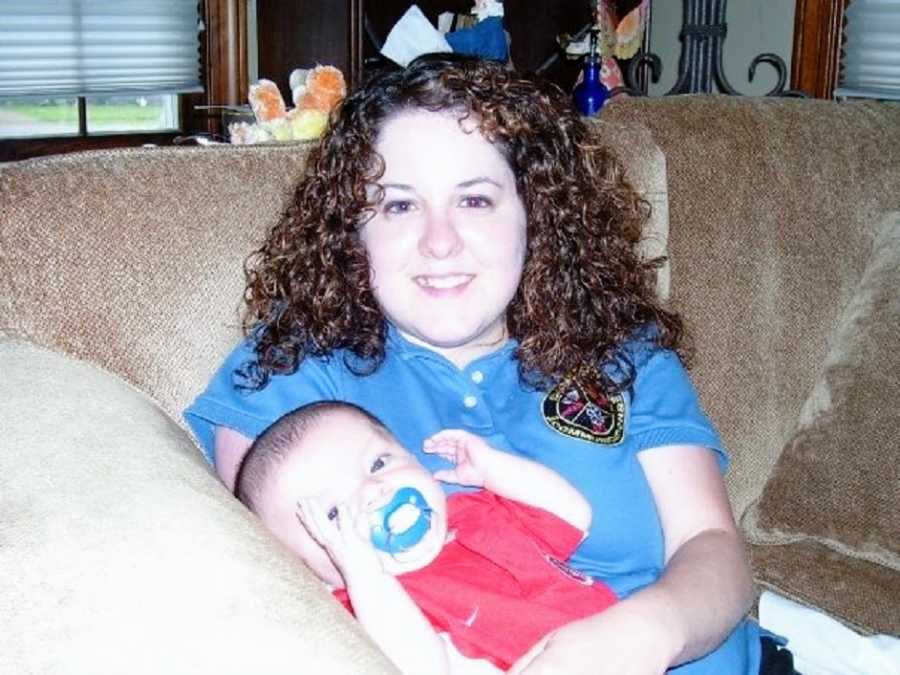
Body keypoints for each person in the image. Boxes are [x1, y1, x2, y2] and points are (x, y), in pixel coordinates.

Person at [185, 53, 784, 674]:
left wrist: (642, 634)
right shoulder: (293, 365)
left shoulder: (620, 347)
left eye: (474, 201)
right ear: (352, 229)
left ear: (534, 215)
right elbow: (265, 592)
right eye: (398, 206)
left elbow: (711, 547)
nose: (439, 242)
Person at [234, 400, 618, 673]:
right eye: (334, 513)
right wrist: (364, 571)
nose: (373, 491)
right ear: (307, 571)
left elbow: (574, 515)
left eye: (379, 463)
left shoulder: (478, 512)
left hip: (625, 648)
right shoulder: (363, 608)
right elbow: (418, 664)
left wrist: (494, 470)